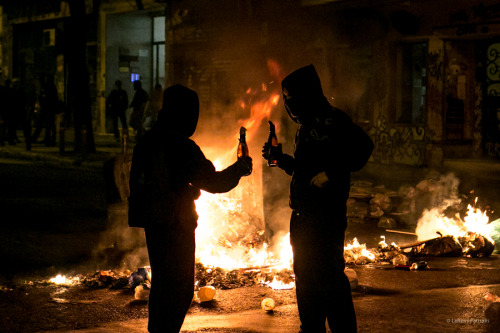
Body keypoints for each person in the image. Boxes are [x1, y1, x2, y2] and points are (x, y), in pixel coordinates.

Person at [128, 84, 253, 333]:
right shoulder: (181, 146)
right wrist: (240, 168)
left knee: (163, 285)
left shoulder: (149, 139)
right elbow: (214, 183)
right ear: (183, 113)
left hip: (154, 224)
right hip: (176, 225)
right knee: (179, 289)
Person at [262, 64, 374, 333]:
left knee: (329, 278)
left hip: (324, 216)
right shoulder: (308, 123)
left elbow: (363, 148)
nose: (289, 105)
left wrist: (332, 174)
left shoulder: (332, 120)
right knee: (306, 275)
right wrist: (281, 160)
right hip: (302, 214)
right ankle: (311, 327)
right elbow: (305, 169)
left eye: (291, 98)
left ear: (307, 95)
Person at [31, 73, 59, 146]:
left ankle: (50, 140)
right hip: (47, 108)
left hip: (48, 108)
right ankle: (47, 139)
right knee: (46, 124)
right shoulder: (50, 87)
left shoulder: (50, 87)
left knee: (49, 124)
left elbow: (47, 98)